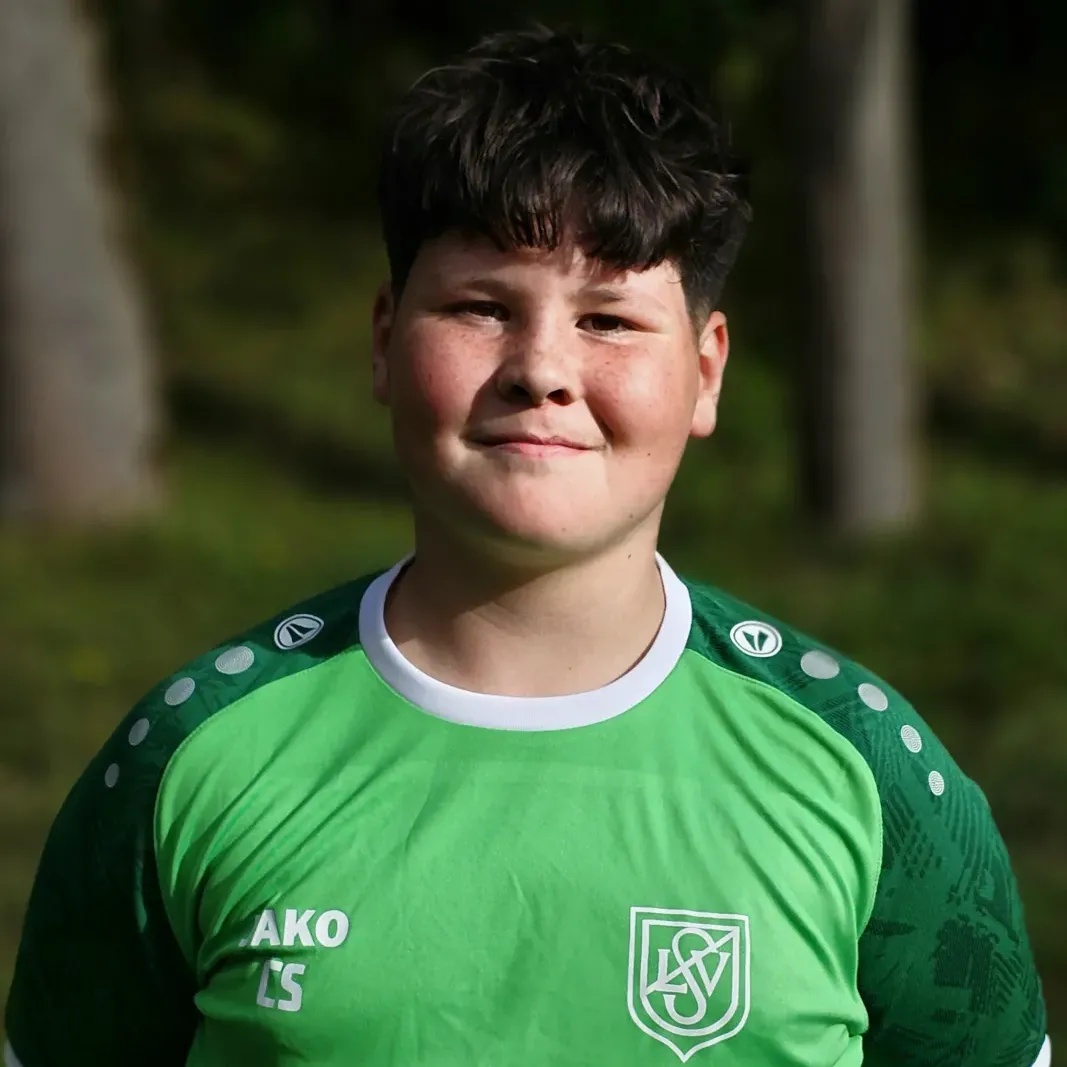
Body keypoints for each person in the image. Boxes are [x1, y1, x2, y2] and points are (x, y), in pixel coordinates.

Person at [3, 25, 1050, 1067]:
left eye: (608, 320)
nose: (539, 368)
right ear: (384, 340)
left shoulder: (867, 769)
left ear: (706, 370)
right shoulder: (190, 757)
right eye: (481, 306)